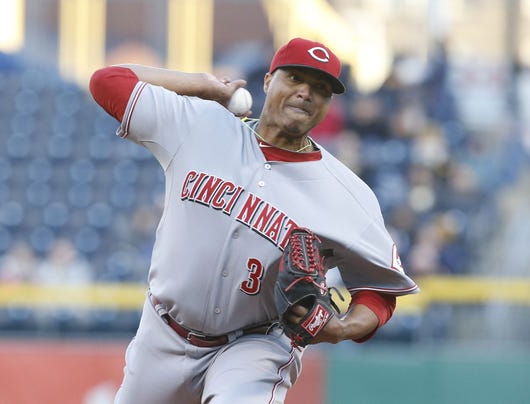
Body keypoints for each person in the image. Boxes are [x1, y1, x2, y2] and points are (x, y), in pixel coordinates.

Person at [89, 37, 418, 404]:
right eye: (295, 79)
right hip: (163, 334)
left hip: (256, 344)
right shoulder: (200, 125)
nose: (306, 93)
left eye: (321, 89)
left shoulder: (347, 194)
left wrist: (341, 329)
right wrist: (202, 84)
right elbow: (108, 81)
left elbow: (381, 291)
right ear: (267, 81)